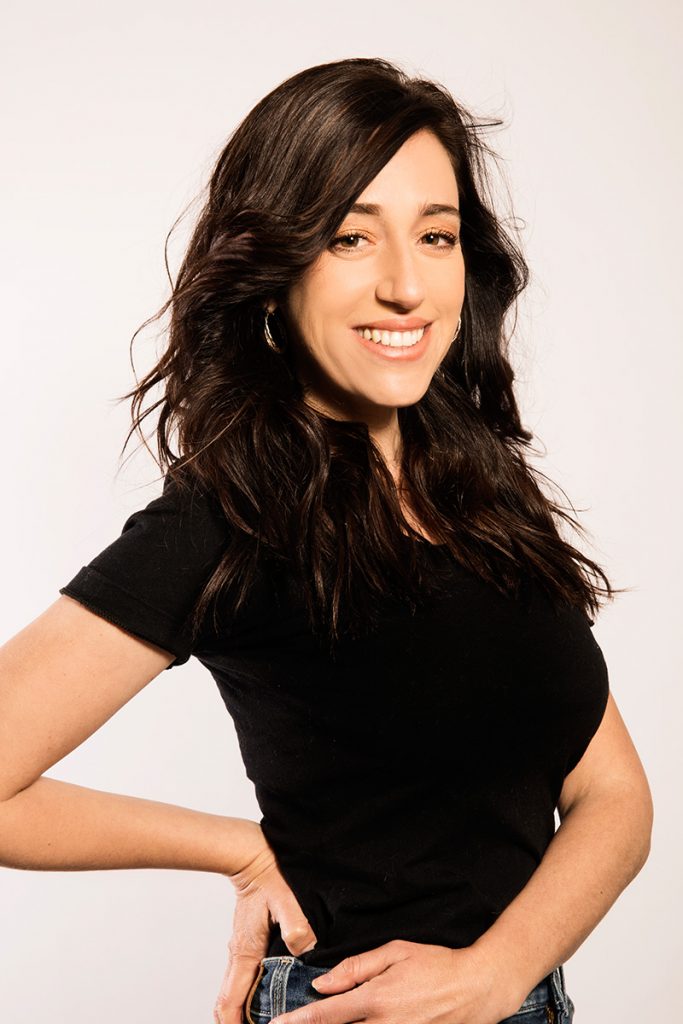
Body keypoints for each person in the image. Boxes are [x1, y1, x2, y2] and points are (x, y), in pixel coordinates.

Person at [0, 57, 653, 1024]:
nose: (405, 285)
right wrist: (237, 849)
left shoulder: (485, 492)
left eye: (436, 235)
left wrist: (495, 973)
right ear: (273, 274)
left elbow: (614, 796)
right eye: (350, 237)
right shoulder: (229, 515)